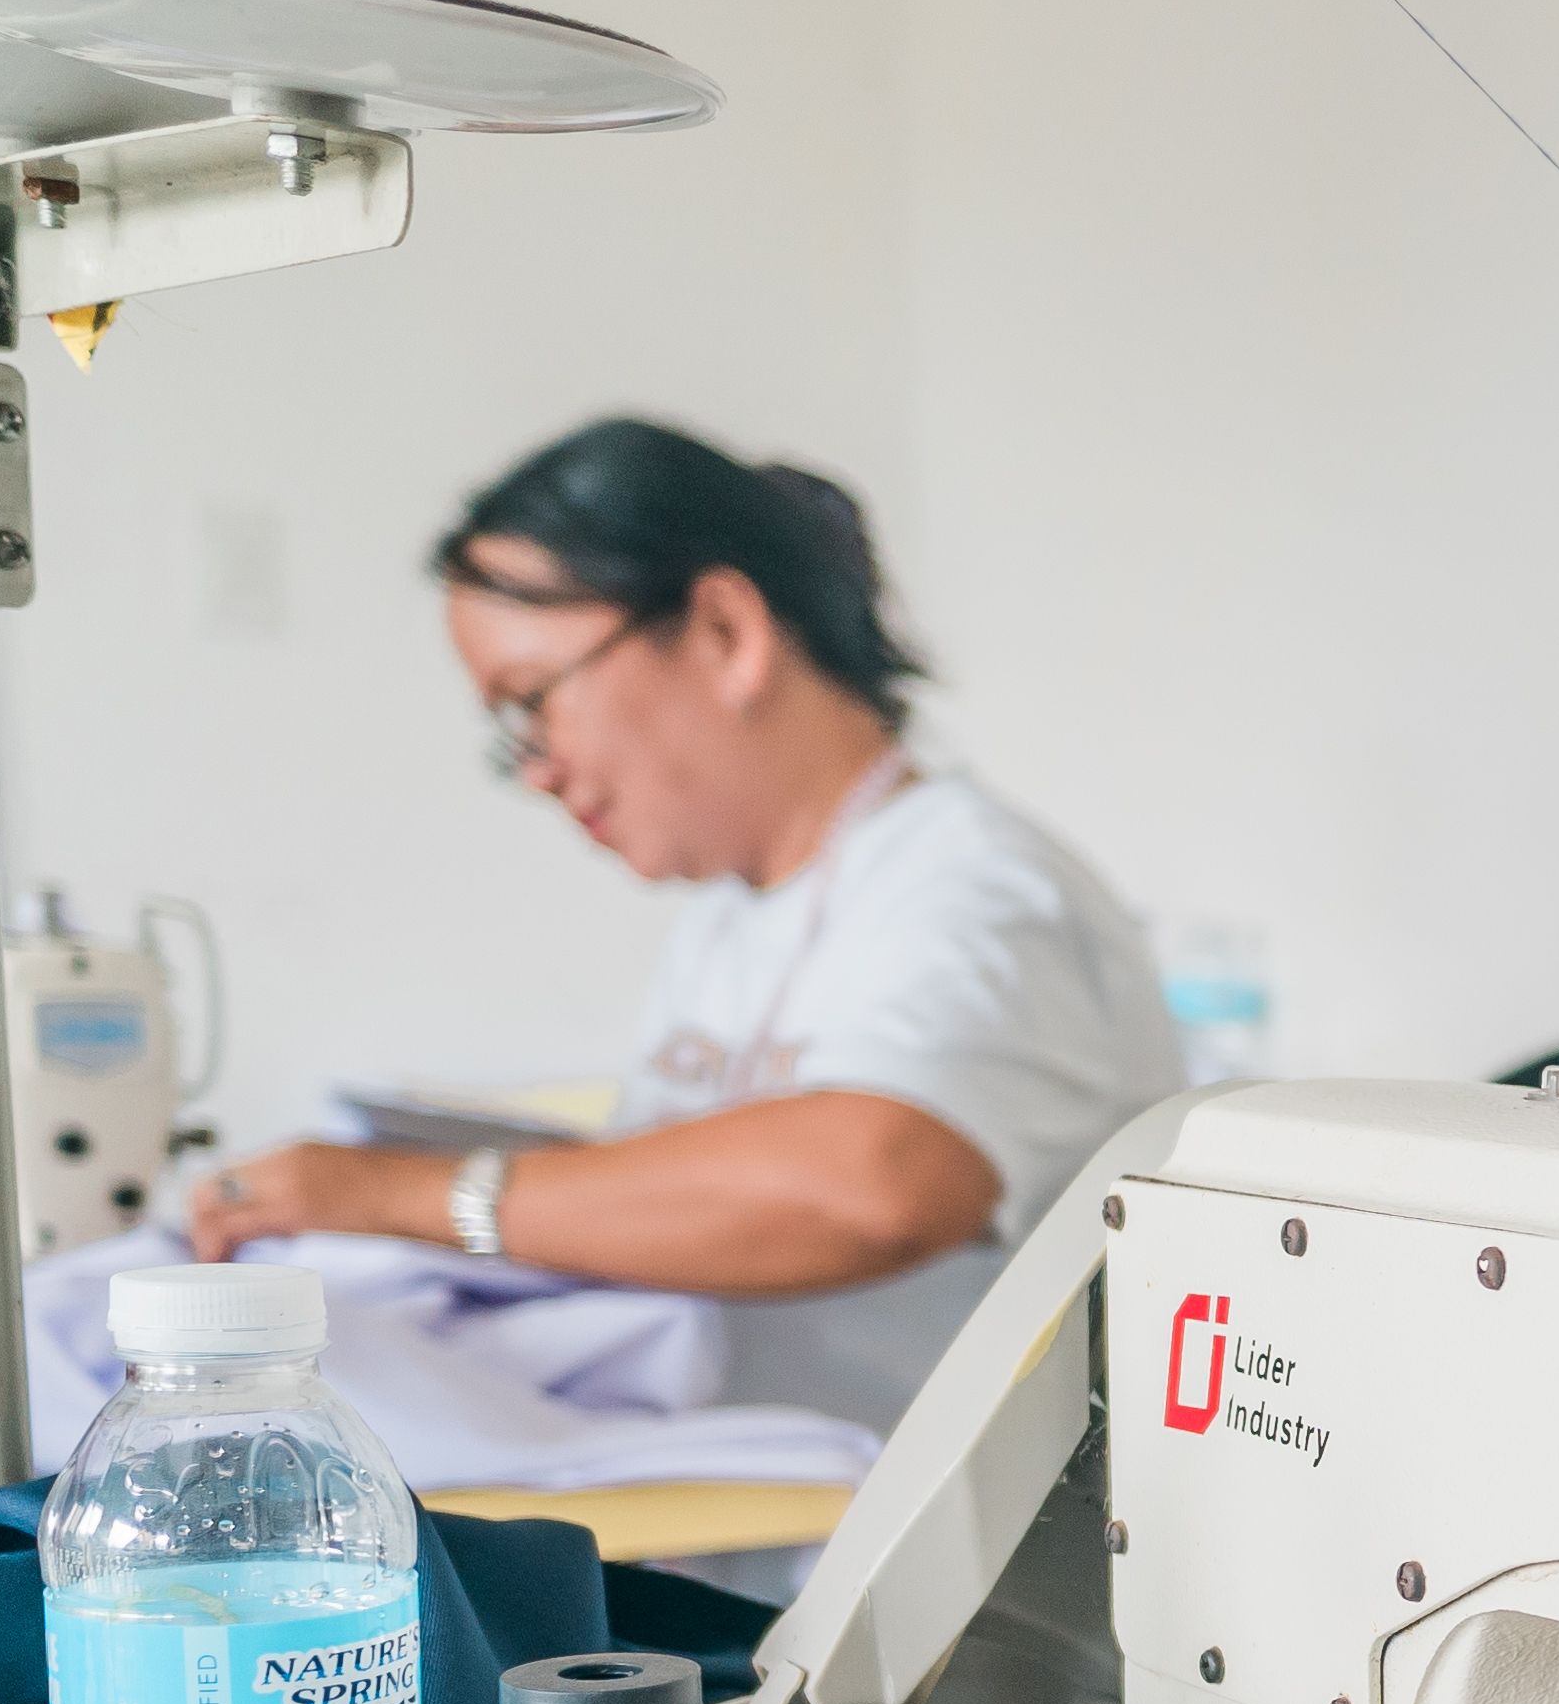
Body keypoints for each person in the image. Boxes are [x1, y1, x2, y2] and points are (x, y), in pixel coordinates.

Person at [185, 420, 1187, 1433]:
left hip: (908, 1566)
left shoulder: (977, 890)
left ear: (724, 633)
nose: (533, 769)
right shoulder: (730, 917)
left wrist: (399, 1195)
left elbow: (873, 1182)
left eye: (532, 702)